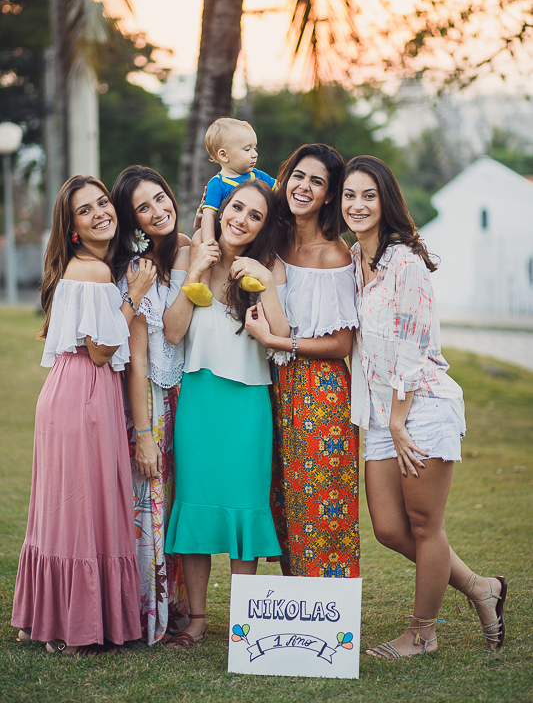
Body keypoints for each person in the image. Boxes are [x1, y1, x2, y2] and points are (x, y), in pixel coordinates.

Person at [341, 155, 507, 657]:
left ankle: (422, 633)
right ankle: (482, 588)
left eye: (368, 194)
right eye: (349, 194)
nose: (357, 204)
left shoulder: (405, 263)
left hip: (421, 406)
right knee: (389, 528)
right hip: (377, 412)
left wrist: (398, 419)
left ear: (386, 200)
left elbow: (412, 347)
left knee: (424, 525)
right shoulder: (355, 259)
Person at [12, 175, 156, 655]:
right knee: (81, 510)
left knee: (64, 509)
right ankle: (76, 627)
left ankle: (48, 618)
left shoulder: (81, 266)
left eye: (102, 203)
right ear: (72, 227)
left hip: (65, 393)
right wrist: (134, 294)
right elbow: (100, 350)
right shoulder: (93, 272)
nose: (100, 213)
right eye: (85, 210)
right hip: (85, 394)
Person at [162, 179, 289, 647]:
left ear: (264, 226)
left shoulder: (266, 267)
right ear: (222, 207)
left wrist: (266, 287)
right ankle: (197, 619)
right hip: (199, 400)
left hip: (248, 405)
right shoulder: (190, 256)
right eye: (237, 208)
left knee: (244, 509)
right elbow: (173, 332)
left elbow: (284, 338)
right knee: (195, 508)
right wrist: (196, 267)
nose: (242, 219)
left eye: (255, 215)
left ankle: (246, 621)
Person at [245, 144, 360, 578]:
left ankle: (329, 614)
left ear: (330, 195)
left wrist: (279, 342)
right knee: (284, 502)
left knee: (323, 506)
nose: (303, 187)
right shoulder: (273, 239)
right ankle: (298, 610)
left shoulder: (334, 255)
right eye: (298, 176)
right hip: (274, 388)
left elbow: (341, 344)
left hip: (321, 394)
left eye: (317, 181)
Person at [111, 165, 196, 646]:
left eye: (160, 198)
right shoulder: (137, 268)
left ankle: (177, 605)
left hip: (182, 398)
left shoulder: (184, 248)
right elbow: (138, 360)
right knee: (150, 506)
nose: (158, 210)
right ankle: (148, 615)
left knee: (172, 506)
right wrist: (144, 435)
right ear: (132, 220)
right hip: (150, 403)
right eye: (143, 207)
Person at [186, 117, 276, 305]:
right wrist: (209, 242)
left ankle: (247, 279)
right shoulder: (217, 183)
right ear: (224, 155)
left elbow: (281, 190)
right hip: (221, 233)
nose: (254, 155)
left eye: (255, 148)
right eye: (247, 149)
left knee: (265, 250)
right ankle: (203, 285)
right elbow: (208, 213)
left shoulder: (257, 176)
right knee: (197, 239)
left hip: (247, 233)